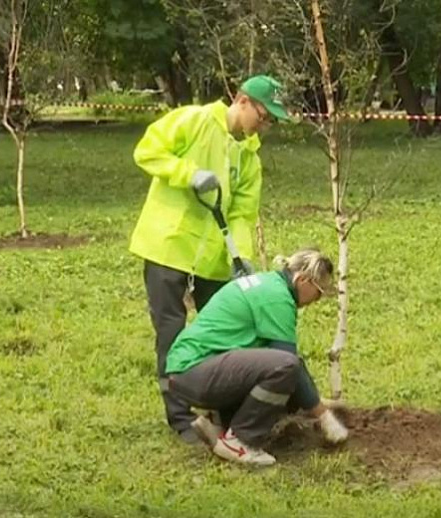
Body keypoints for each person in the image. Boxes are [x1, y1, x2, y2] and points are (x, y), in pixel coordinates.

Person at [129, 75, 293, 444]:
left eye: (271, 121)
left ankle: (222, 409)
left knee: (226, 332)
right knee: (172, 334)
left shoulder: (250, 158)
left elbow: (242, 214)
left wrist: (242, 256)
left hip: (214, 259)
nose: (264, 126)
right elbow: (147, 151)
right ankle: (180, 419)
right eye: (264, 116)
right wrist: (188, 174)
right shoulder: (194, 120)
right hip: (169, 246)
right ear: (242, 101)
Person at [164, 248, 349, 466]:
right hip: (195, 370)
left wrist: (314, 400)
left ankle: (218, 423)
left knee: (280, 373)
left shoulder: (268, 284)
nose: (317, 299)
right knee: (284, 368)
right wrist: (324, 416)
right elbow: (289, 365)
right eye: (319, 291)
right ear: (302, 280)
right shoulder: (278, 298)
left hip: (191, 371)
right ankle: (240, 440)